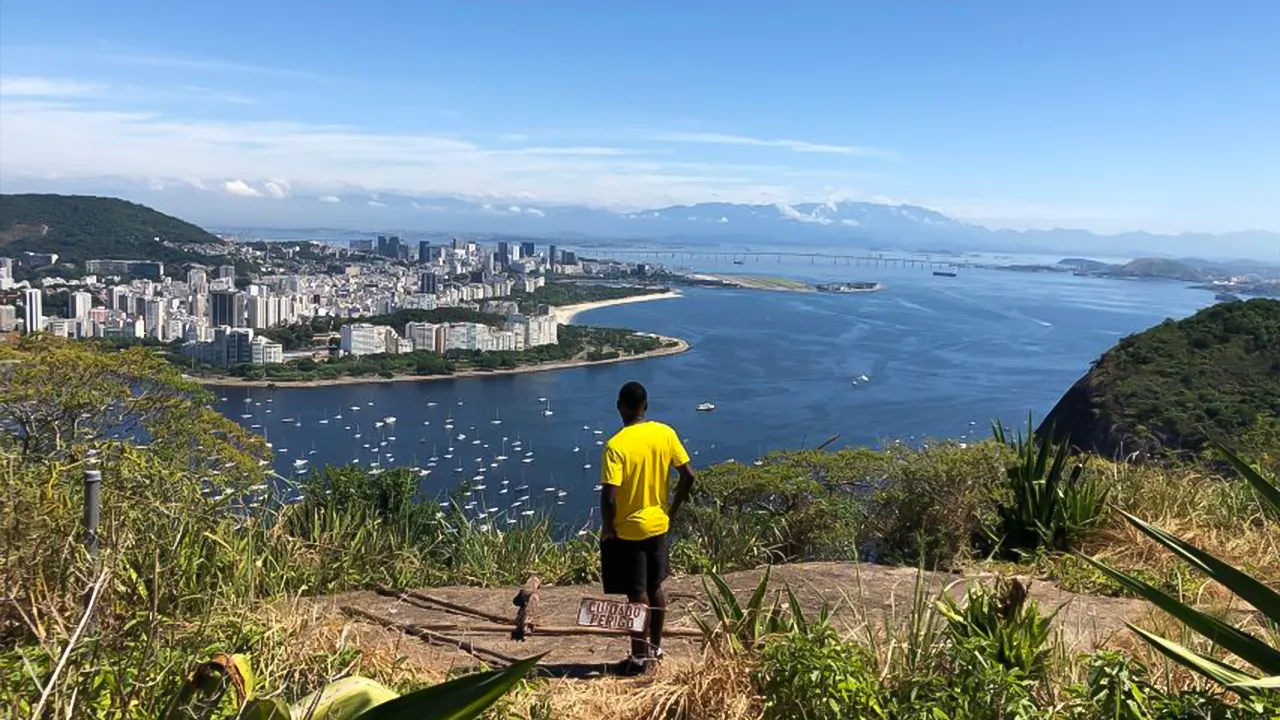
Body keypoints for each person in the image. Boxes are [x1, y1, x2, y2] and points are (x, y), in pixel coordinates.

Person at [599, 381, 696, 675]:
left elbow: (609, 496)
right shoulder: (664, 433)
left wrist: (608, 528)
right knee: (655, 587)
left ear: (620, 406)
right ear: (646, 407)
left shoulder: (616, 445)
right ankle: (656, 649)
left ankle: (639, 659)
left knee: (636, 593)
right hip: (658, 524)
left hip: (629, 531)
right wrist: (672, 510)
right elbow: (689, 476)